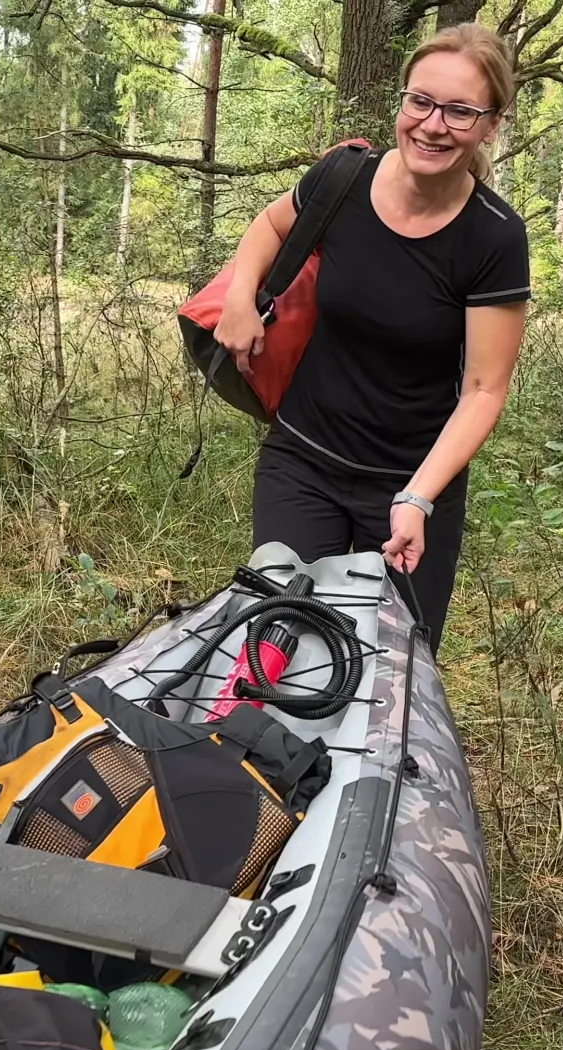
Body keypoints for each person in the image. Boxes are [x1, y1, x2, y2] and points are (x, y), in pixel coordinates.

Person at [211, 23, 530, 652]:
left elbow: (485, 390)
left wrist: (417, 498)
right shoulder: (346, 178)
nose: (433, 124)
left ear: (491, 125)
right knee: (278, 647)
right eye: (421, 101)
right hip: (302, 460)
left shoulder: (494, 238)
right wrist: (242, 298)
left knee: (392, 674)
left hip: (411, 483)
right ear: (403, 101)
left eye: (460, 111)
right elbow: (268, 227)